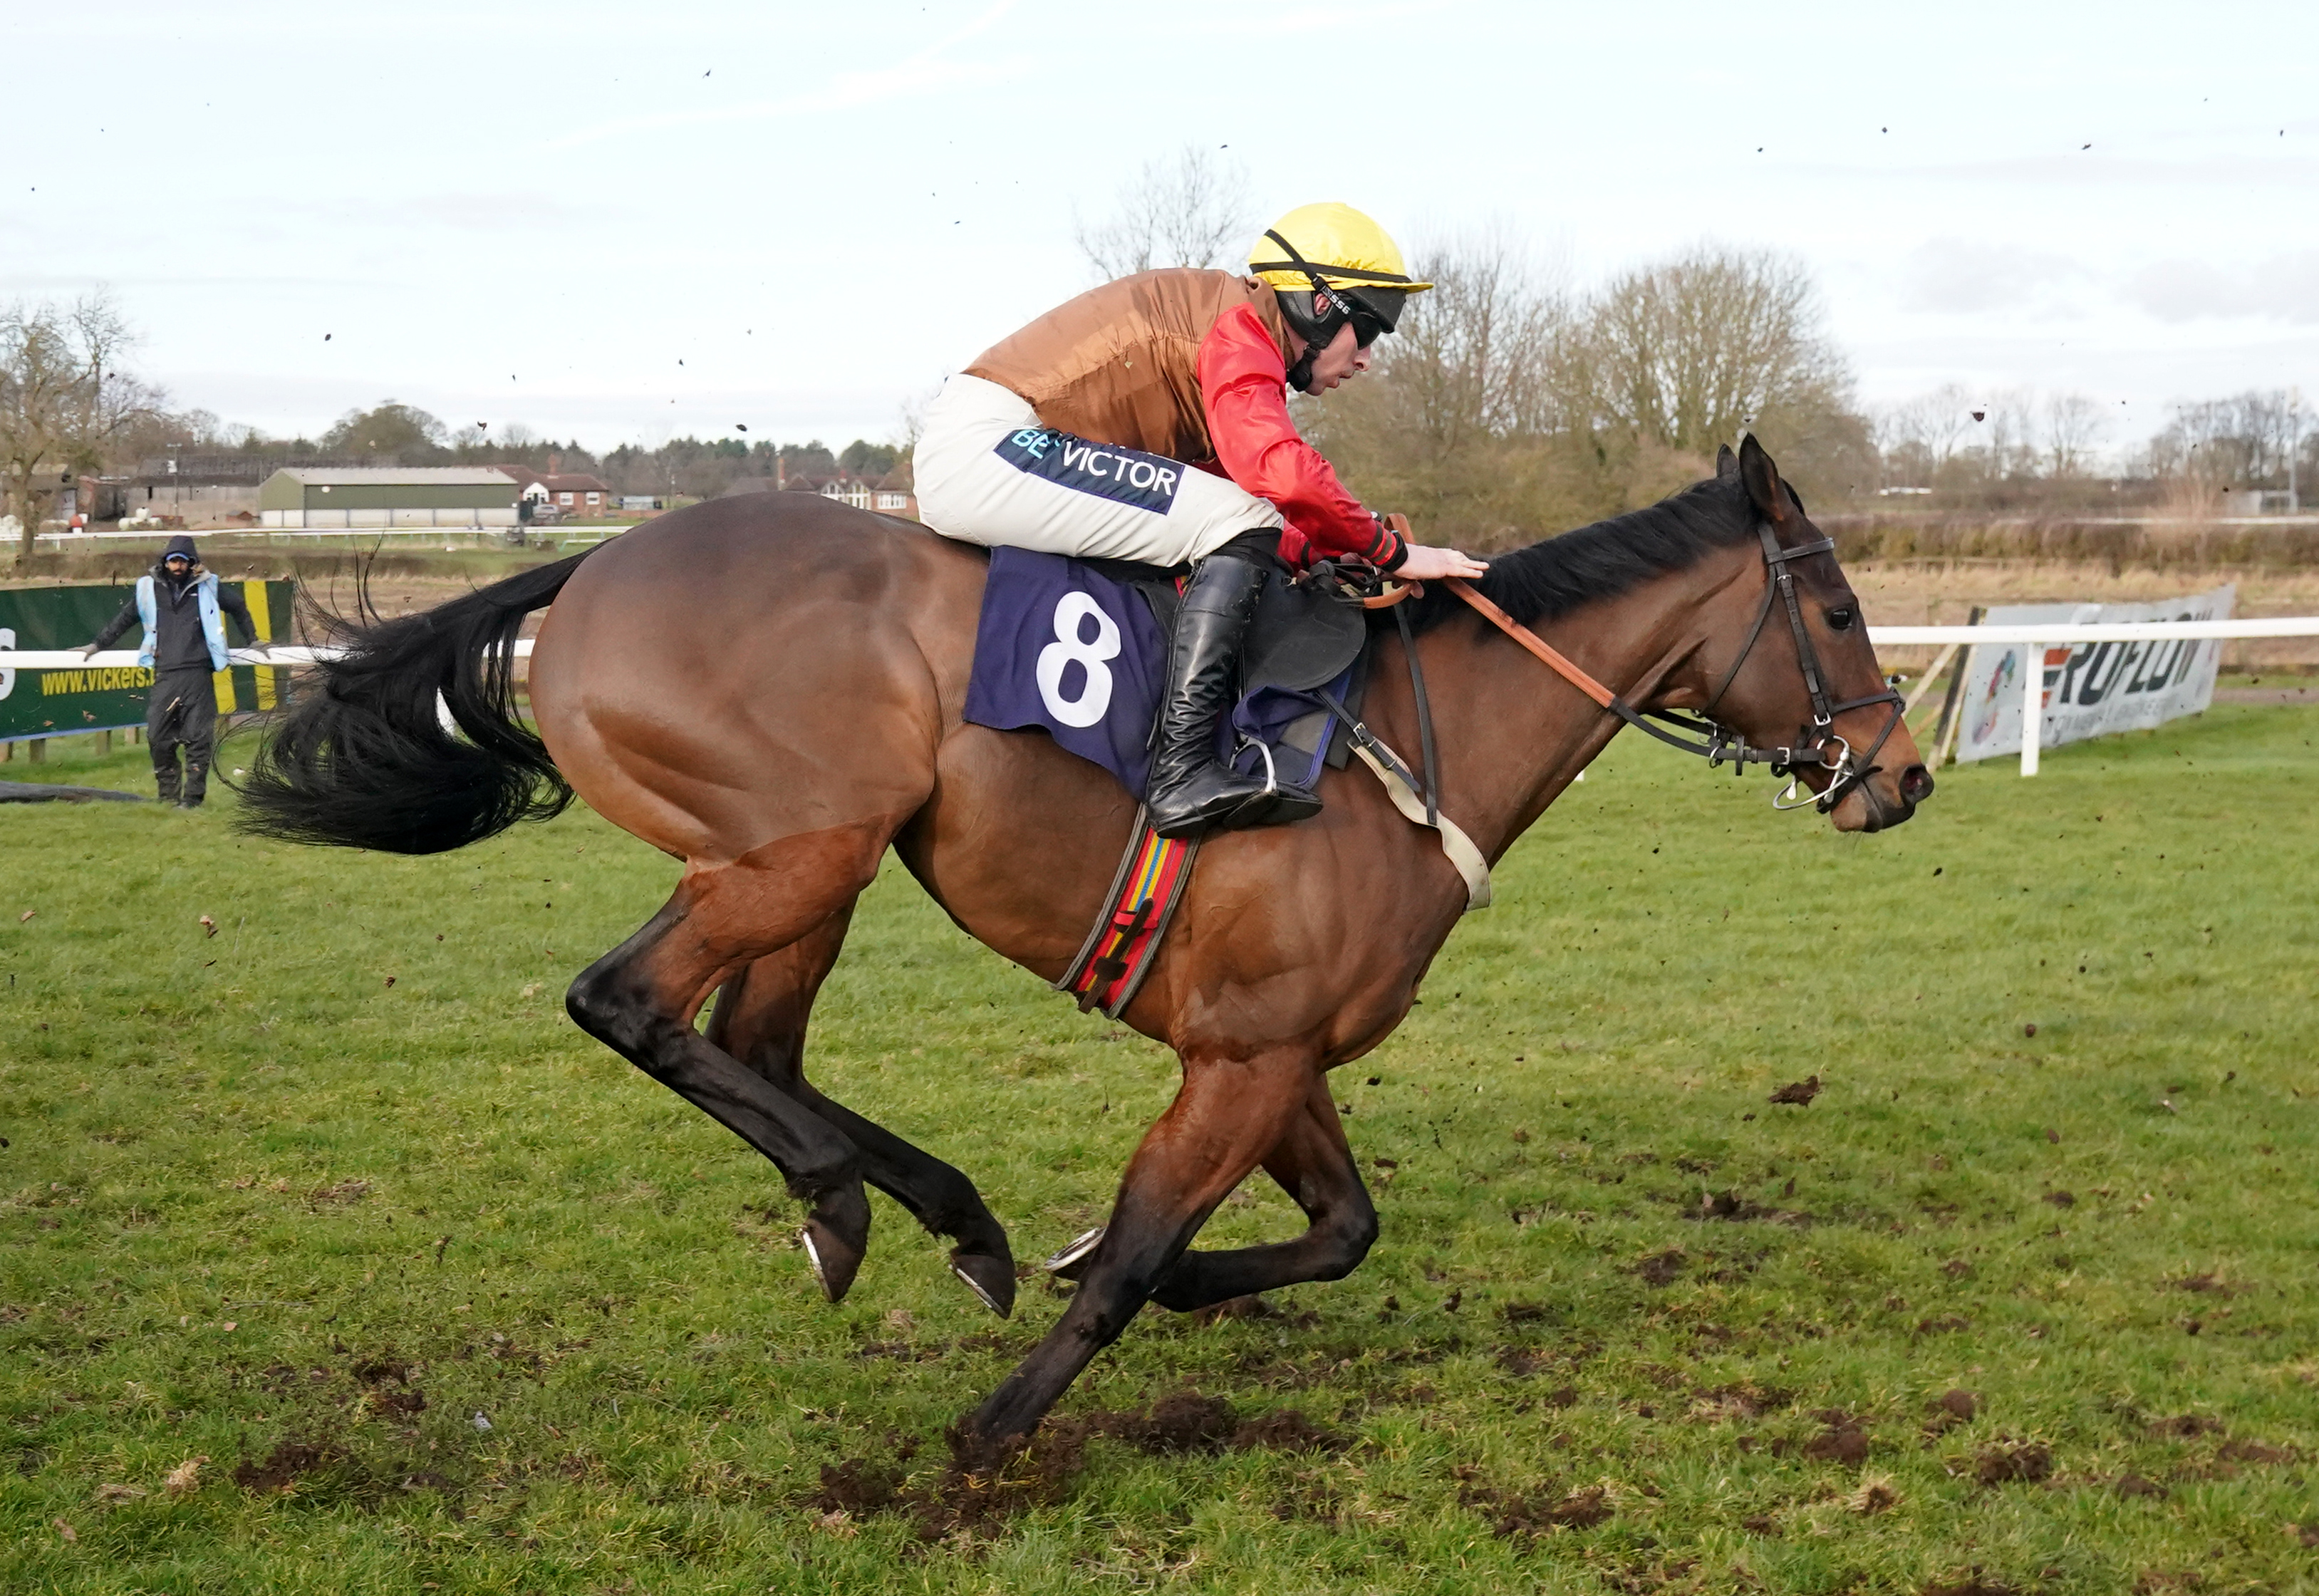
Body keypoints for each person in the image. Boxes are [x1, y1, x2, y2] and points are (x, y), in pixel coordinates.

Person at [917, 201, 1488, 840]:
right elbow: (1281, 475)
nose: (1366, 360)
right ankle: (1180, 772)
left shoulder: (1234, 329)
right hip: (990, 446)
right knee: (1239, 518)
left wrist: (1323, 552)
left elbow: (1236, 486)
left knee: (1239, 517)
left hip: (996, 444)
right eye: (1370, 331)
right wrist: (1390, 550)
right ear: (1319, 305)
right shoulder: (1238, 331)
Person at [84, 534, 259, 808]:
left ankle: (192, 799)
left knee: (198, 739)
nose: (177, 567)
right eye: (173, 561)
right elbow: (124, 620)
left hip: (199, 674)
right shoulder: (147, 588)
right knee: (157, 737)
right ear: (165, 562)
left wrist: (254, 640)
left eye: (183, 562)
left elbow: (239, 608)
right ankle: (167, 797)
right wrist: (97, 645)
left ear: (192, 564)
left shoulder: (209, 586)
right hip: (165, 673)